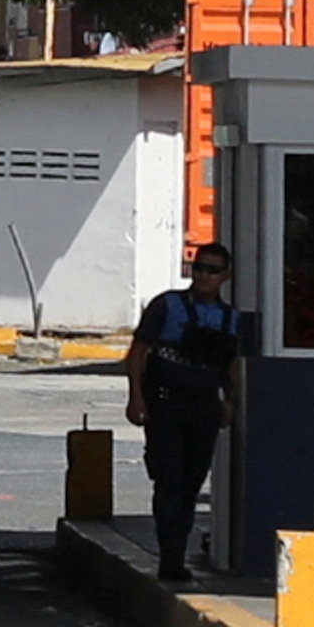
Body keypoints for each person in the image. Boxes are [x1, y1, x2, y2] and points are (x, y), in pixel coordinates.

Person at [124, 238, 246, 578]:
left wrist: (231, 401)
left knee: (192, 482)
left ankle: (177, 549)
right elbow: (138, 352)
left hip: (204, 406)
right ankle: (171, 557)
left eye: (213, 271)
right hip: (166, 403)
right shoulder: (167, 306)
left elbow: (232, 364)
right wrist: (135, 396)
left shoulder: (230, 319)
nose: (204, 276)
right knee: (169, 481)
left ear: (226, 276)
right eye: (199, 268)